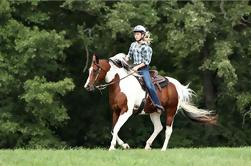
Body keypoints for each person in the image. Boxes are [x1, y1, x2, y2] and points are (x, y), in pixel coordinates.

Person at [126, 25, 164, 113]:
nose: (136, 36)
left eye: (138, 34)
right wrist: (124, 59)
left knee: (149, 85)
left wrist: (137, 67)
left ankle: (157, 104)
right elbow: (129, 56)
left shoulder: (147, 48)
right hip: (132, 68)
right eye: (135, 34)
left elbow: (146, 61)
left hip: (143, 69)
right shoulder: (133, 45)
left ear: (142, 35)